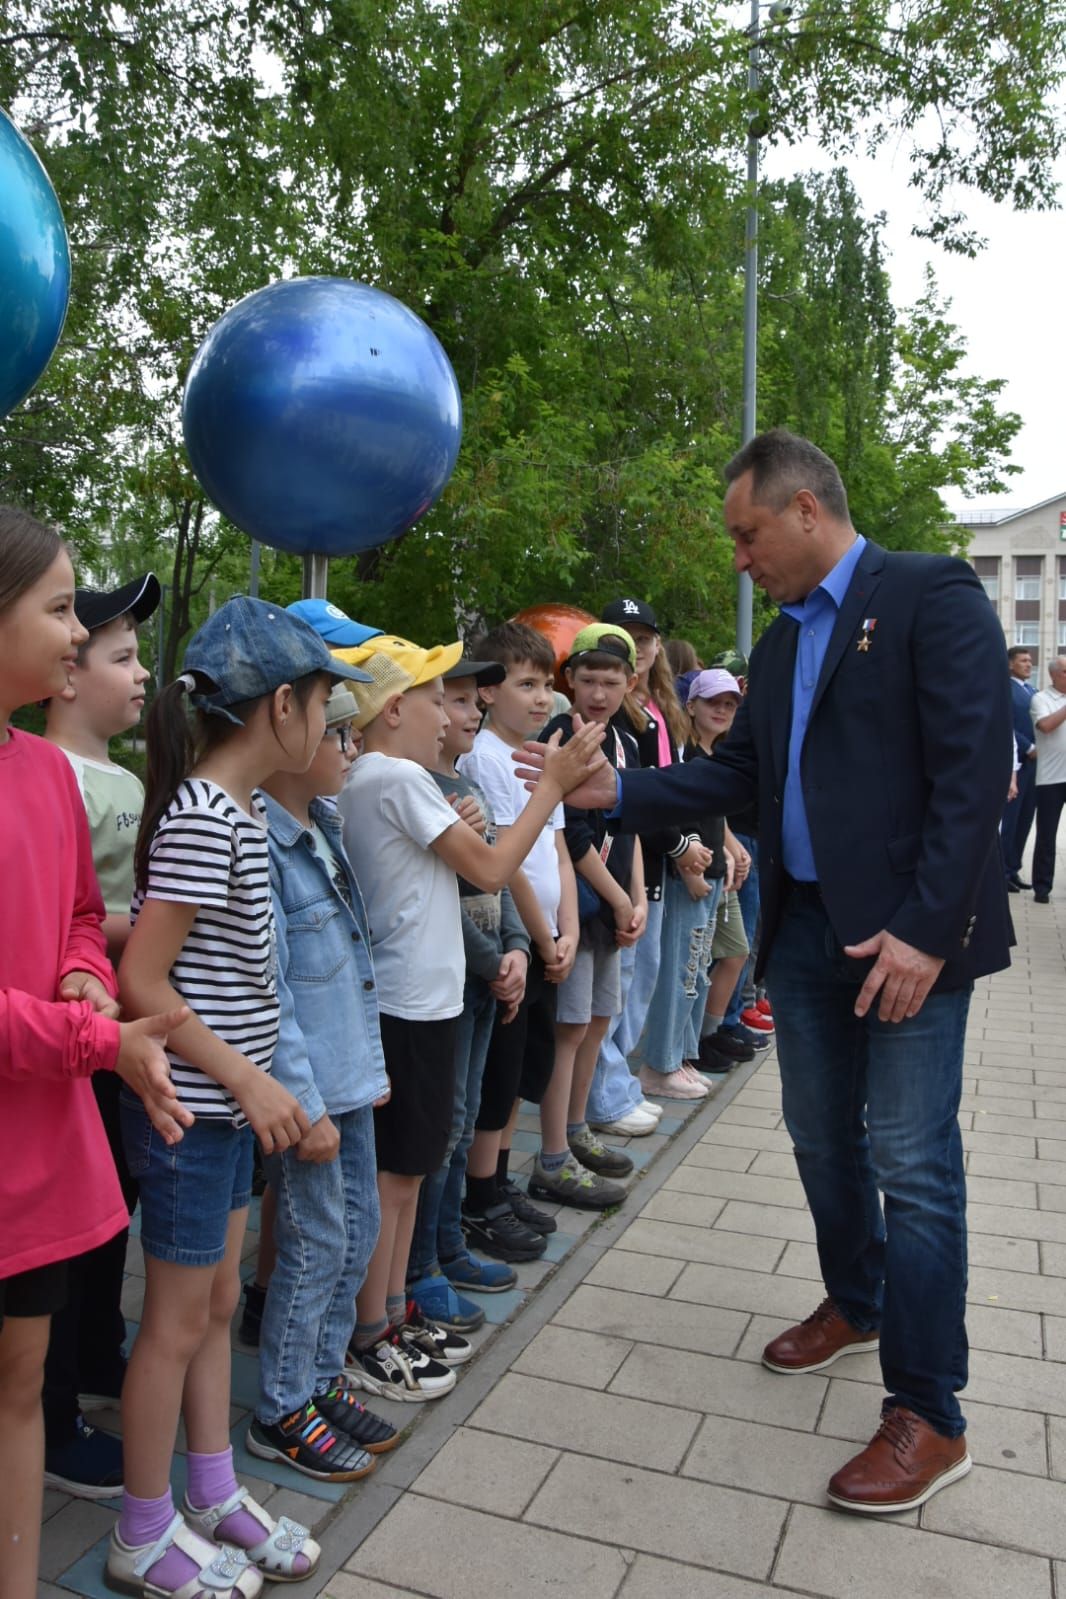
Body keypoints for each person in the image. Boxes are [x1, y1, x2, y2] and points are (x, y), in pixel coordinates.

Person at [518, 428, 1013, 1515]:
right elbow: (738, 770)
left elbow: (976, 773)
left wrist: (928, 932)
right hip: (805, 930)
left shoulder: (930, 595)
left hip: (908, 942)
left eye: (747, 535)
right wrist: (607, 797)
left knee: (913, 1162)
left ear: (804, 510)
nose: (739, 558)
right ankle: (857, 1298)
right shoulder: (787, 644)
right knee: (815, 1134)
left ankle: (930, 1414)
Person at [111, 598, 370, 1595]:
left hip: (223, 1112)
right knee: (176, 1321)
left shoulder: (240, 817)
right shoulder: (205, 821)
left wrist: (263, 1083)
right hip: (191, 1113)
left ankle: (211, 1491)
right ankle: (142, 1529)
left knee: (217, 1302)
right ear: (280, 709)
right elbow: (144, 980)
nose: (328, 727)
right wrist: (246, 1078)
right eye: (323, 706)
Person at [0, 507, 190, 1599]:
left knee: (23, 1377)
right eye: (61, 607)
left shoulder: (46, 775)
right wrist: (98, 1035)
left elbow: (80, 910)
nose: (76, 634)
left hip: (42, 1136)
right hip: (47, 1090)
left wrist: (80, 969)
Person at [336, 635, 603, 1399]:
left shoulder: (381, 777)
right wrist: (550, 786)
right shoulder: (394, 775)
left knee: (411, 1169)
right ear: (394, 710)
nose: (453, 709)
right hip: (409, 1005)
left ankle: (391, 1308)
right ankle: (372, 1330)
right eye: (433, 697)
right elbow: (489, 868)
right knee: (397, 1177)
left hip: (419, 1001)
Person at [248, 681, 400, 1482]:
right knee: (313, 1245)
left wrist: (364, 1069)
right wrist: (304, 1103)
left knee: (358, 1229)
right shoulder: (265, 842)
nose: (351, 748)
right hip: (309, 1091)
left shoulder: (324, 824)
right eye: (339, 735)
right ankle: (280, 1407)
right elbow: (270, 989)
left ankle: (318, 1378)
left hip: (347, 1074)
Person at [40, 573, 160, 1498]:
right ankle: (51, 1408)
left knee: (106, 1215)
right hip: (60, 1045)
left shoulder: (118, 777)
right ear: (65, 678)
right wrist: (141, 928)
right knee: (64, 1234)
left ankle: (93, 1357)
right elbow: (65, 914)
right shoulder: (53, 776)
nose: (142, 673)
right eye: (121, 657)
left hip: (115, 1035)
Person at [407, 659, 541, 1296]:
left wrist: (516, 949)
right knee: (447, 1121)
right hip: (459, 980)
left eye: (468, 702)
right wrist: (495, 965)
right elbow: (441, 895)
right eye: (452, 701)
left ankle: (449, 1241)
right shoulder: (417, 789)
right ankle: (423, 1262)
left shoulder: (467, 785)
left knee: (464, 1117)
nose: (466, 714)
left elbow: (499, 879)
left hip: (489, 978)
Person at [458, 622, 582, 1241]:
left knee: (520, 1075)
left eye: (545, 685)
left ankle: (499, 1181)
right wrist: (541, 939)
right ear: (486, 692)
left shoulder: (539, 757)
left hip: (547, 944)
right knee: (498, 1075)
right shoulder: (481, 759)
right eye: (525, 684)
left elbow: (556, 849)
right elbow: (508, 864)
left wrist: (571, 930)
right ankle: (480, 1198)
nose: (541, 699)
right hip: (521, 943)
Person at [529, 623, 647, 1206]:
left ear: (631, 681)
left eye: (612, 680)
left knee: (598, 1022)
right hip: (579, 905)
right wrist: (621, 897)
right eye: (589, 680)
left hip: (613, 908)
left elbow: (631, 824)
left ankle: (577, 1131)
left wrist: (640, 894)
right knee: (568, 1029)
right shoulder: (562, 737)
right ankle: (552, 1155)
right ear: (569, 680)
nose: (599, 692)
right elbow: (569, 835)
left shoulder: (625, 738)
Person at [587, 597, 695, 1126]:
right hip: (616, 874)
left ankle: (617, 1084)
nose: (602, 691)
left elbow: (666, 789)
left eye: (643, 637)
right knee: (611, 995)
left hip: (642, 869)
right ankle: (605, 1095)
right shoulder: (598, 725)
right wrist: (678, 846)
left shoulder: (649, 715)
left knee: (637, 982)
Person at [999, 645, 1037, 892]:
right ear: (1011, 664)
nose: (1029, 664)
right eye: (1023, 660)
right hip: (1019, 763)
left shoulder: (1032, 691)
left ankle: (1014, 868)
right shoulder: (1007, 690)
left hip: (1035, 766)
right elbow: (1007, 726)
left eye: (1030, 660)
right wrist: (1029, 746)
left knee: (1025, 820)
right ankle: (1002, 871)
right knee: (1010, 820)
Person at [1030, 655, 1066, 903]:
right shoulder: (1041, 699)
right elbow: (1046, 726)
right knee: (1046, 835)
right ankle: (1042, 887)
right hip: (1051, 778)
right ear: (1054, 674)